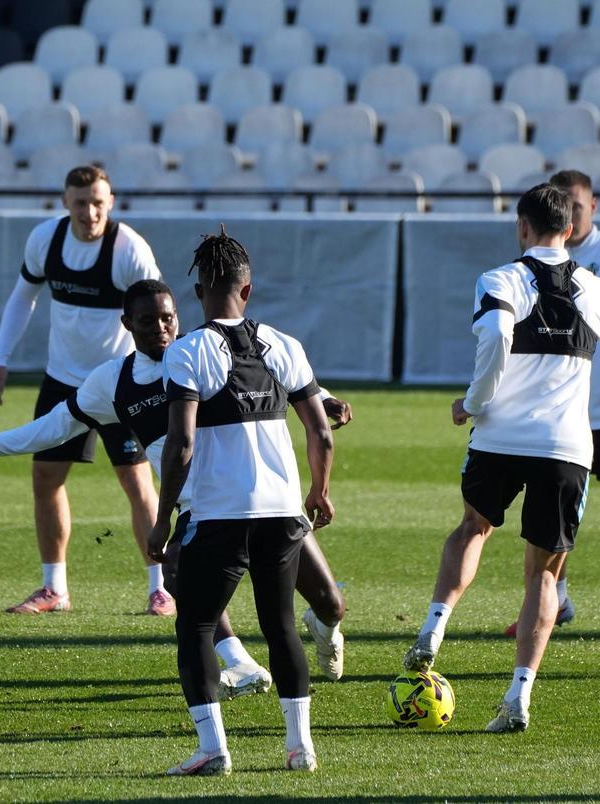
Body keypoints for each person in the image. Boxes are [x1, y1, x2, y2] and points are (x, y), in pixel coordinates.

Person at [0, 279, 352, 695]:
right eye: (147, 320)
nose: (160, 328)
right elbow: (53, 428)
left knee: (331, 604)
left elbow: (273, 370)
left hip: (261, 502)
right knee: (177, 574)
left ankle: (323, 624)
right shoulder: (114, 381)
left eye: (167, 318)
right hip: (201, 510)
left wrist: (324, 399)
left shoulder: (200, 351)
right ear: (126, 323)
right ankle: (240, 662)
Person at [402, 184, 600, 733]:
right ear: (569, 228)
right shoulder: (592, 285)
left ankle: (435, 625)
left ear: (522, 227)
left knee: (473, 527)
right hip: (565, 447)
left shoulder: (500, 279)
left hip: (499, 437)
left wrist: (474, 403)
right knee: (543, 573)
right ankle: (518, 695)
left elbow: (496, 332)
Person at [147, 229, 334, 774]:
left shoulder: (187, 352)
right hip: (282, 513)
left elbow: (181, 445)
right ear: (246, 289)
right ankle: (300, 748)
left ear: (200, 291)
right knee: (279, 625)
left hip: (221, 514)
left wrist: (162, 521)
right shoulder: (285, 345)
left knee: (198, 627)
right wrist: (319, 490)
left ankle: (213, 750)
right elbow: (321, 434)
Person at [0, 165, 166, 616]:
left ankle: (161, 589)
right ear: (65, 202)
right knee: (45, 479)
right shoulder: (45, 240)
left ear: (112, 202)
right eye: (81, 202)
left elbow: (163, 314)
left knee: (138, 482)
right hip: (64, 381)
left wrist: (164, 373)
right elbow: (23, 297)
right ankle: (54, 589)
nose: (90, 212)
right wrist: (0, 358)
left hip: (122, 383)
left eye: (98, 202)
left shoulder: (130, 250)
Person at [500, 169, 600, 642]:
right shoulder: (530, 267)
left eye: (577, 204)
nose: (569, 211)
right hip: (556, 416)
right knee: (557, 514)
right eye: (561, 204)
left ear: (593, 206)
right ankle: (556, 599)